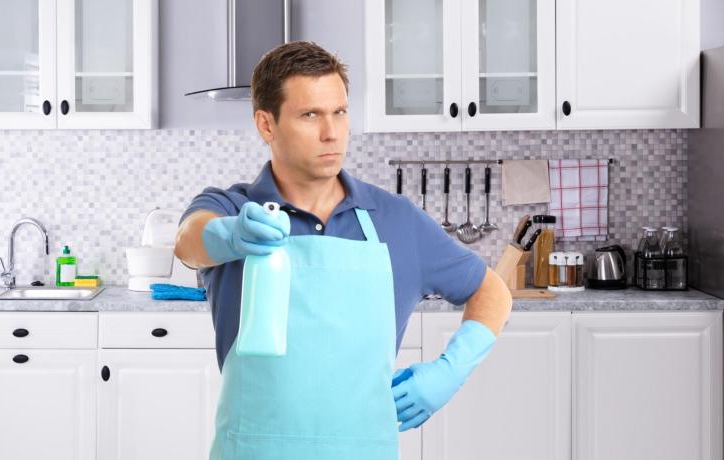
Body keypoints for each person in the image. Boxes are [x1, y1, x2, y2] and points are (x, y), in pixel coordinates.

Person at [175, 41, 513, 460]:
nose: (331, 132)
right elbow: (189, 241)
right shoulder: (231, 207)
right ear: (266, 125)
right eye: (310, 115)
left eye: (340, 112)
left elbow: (491, 290)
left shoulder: (396, 220)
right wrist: (229, 236)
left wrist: (451, 370)